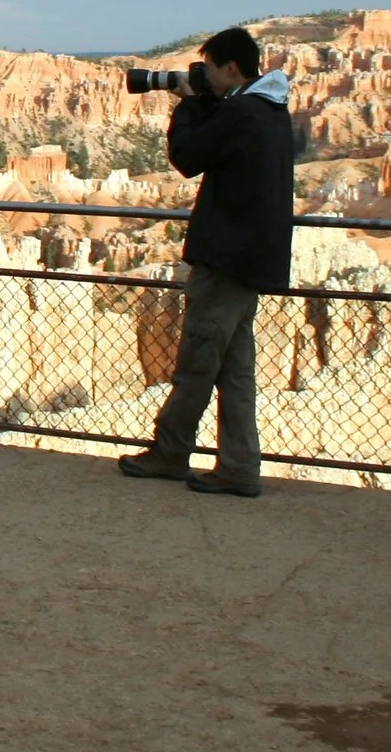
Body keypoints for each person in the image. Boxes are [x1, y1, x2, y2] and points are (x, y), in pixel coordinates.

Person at [117, 27, 294, 497]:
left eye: (210, 69)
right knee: (235, 371)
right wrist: (209, 99)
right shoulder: (269, 109)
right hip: (251, 260)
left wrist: (190, 101)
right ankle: (239, 465)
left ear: (231, 68)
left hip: (226, 259)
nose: (207, 77)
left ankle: (169, 453)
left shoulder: (243, 112)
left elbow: (188, 157)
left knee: (197, 362)